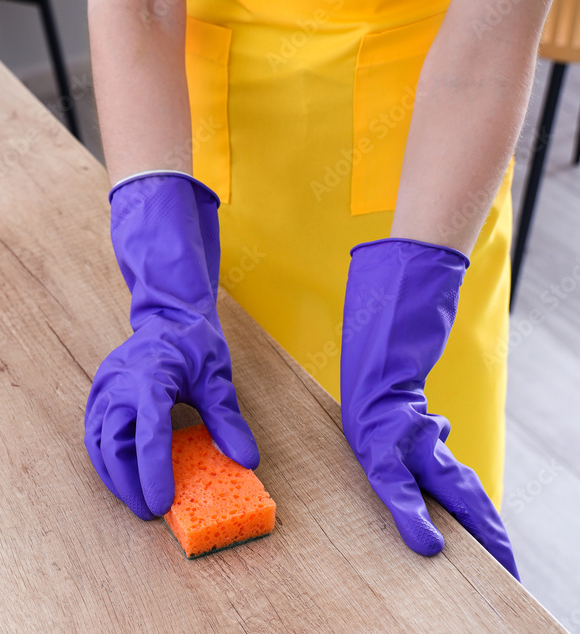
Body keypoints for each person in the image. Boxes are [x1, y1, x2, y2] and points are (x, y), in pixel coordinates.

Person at [84, 0, 553, 578]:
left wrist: (399, 347)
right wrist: (167, 295)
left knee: (429, 570)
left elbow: (491, 33)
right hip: (211, 186)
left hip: (431, 202)